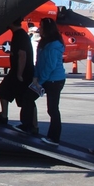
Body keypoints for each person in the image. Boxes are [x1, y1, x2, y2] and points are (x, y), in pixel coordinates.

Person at [0, 19, 38, 133]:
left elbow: (22, 55)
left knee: (26, 99)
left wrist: (19, 74)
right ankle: (4, 116)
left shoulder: (20, 35)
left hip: (22, 73)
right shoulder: (19, 34)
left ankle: (32, 125)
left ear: (12, 23)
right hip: (19, 72)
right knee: (4, 91)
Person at [33, 17, 66, 145]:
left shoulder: (53, 45)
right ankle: (28, 125)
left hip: (54, 80)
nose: (39, 28)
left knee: (52, 109)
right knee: (28, 98)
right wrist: (36, 77)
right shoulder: (43, 42)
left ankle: (54, 137)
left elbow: (50, 66)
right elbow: (39, 62)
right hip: (44, 79)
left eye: (41, 26)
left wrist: (40, 81)